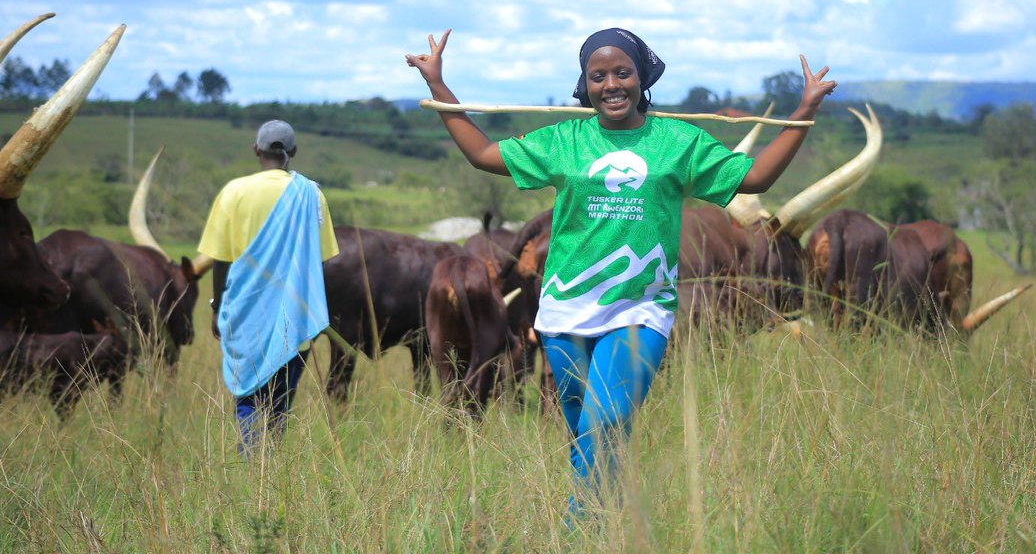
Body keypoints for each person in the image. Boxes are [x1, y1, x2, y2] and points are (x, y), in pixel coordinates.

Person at [405, 28, 835, 518]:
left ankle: (573, 533)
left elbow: (755, 177)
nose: (612, 84)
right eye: (598, 75)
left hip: (640, 310)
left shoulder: (678, 142)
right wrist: (439, 85)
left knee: (605, 422)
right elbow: (483, 155)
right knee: (586, 438)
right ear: (584, 85)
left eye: (623, 72)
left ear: (642, 76)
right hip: (565, 311)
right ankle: (610, 527)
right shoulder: (565, 140)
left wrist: (804, 113)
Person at [198, 120, 339, 455]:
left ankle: (250, 458)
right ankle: (271, 464)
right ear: (293, 152)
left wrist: (218, 308)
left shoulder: (234, 192)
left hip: (244, 314)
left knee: (247, 396)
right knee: (281, 401)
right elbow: (321, 263)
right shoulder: (311, 194)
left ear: (256, 150)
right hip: (295, 316)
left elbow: (220, 260)